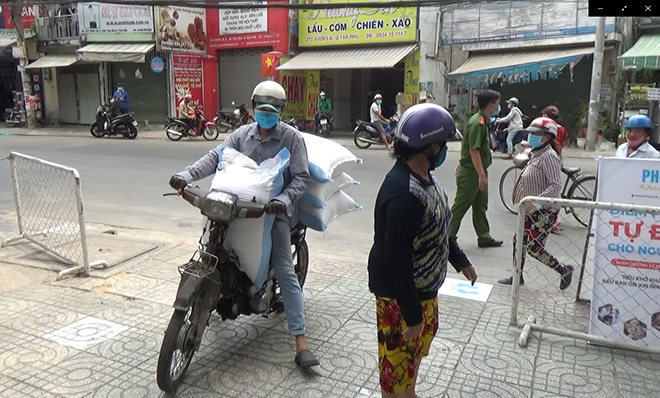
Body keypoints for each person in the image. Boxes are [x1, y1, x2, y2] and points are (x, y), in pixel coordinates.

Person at [168, 80, 319, 369]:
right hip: (237, 207)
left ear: (281, 111)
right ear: (252, 108)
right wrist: (185, 175)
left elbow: (301, 178)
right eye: (262, 109)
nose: (267, 114)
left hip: (275, 211)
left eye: (273, 110)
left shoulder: (291, 138)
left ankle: (300, 341)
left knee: (284, 266)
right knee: (212, 247)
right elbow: (215, 158)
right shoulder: (240, 136)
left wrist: (284, 200)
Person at [369, 103, 477, 398]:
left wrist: (460, 260)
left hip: (422, 292)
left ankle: (410, 392)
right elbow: (398, 261)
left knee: (411, 360)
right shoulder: (404, 194)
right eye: (442, 144)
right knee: (397, 368)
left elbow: (438, 225)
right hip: (401, 298)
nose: (445, 150)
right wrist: (413, 315)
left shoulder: (424, 175)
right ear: (427, 146)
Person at [498, 117, 574, 290]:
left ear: (547, 137)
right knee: (519, 242)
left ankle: (563, 270)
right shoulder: (536, 153)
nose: (531, 136)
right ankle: (518, 276)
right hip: (529, 209)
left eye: (536, 133)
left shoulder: (549, 157)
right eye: (531, 133)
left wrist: (536, 203)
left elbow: (555, 186)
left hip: (544, 211)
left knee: (534, 248)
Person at [450, 89, 503, 248]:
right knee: (460, 206)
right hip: (472, 173)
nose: (499, 108)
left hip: (477, 170)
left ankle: (484, 237)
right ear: (491, 106)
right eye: (498, 105)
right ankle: (447, 236)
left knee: (480, 206)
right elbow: (474, 150)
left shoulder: (482, 121)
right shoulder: (477, 123)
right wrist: (481, 175)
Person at [540, 105, 567, 233]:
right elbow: (561, 145)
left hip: (548, 158)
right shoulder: (562, 129)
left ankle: (552, 218)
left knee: (550, 187)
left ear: (545, 116)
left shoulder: (547, 127)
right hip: (558, 157)